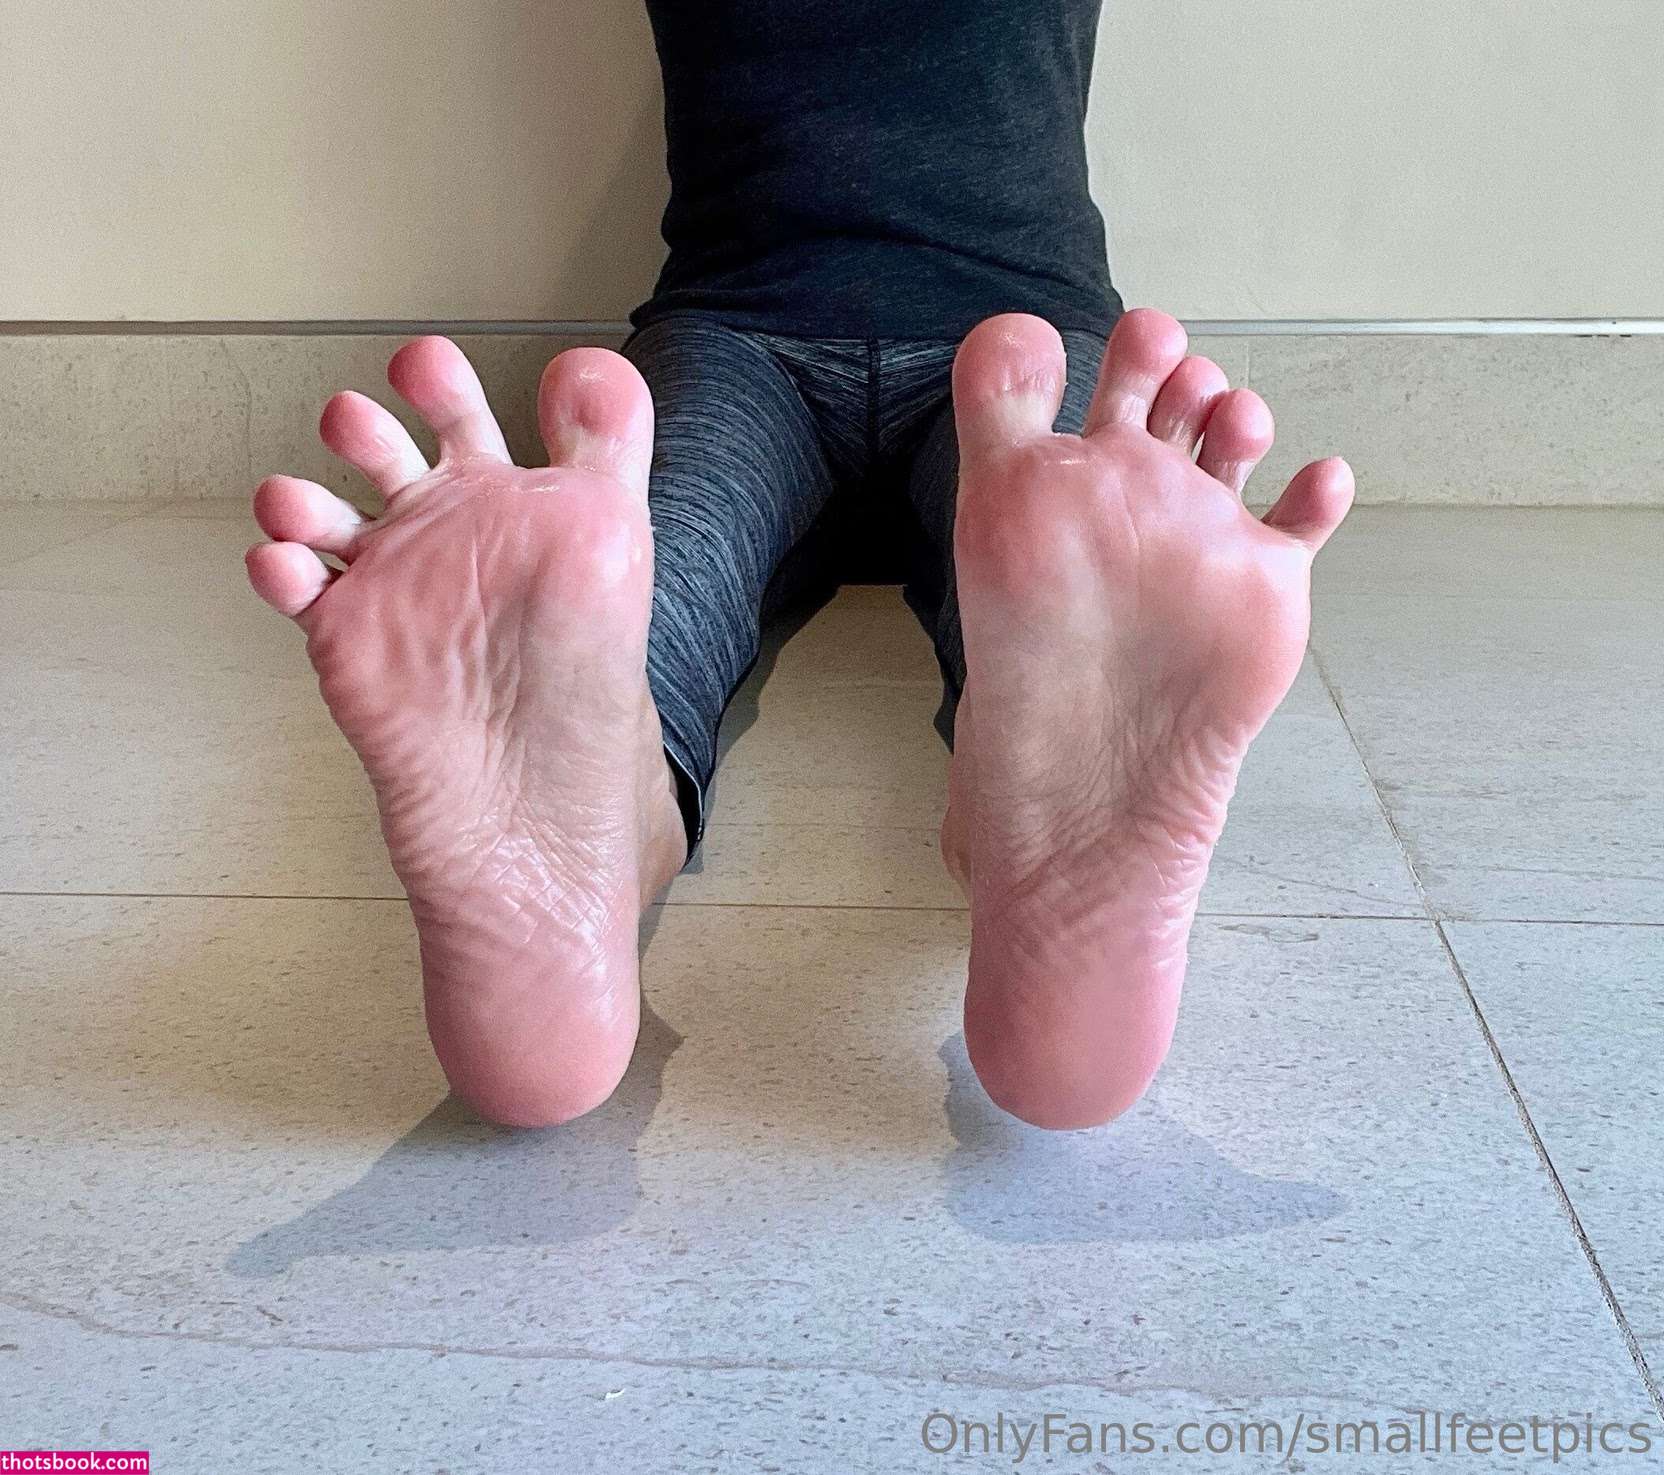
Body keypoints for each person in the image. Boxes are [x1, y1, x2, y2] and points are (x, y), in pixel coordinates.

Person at [243, 0, 1352, 1131]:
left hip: (962, 349)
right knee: (615, 577)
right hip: (779, 335)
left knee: (1029, 572)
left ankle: (994, 799)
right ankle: (617, 809)